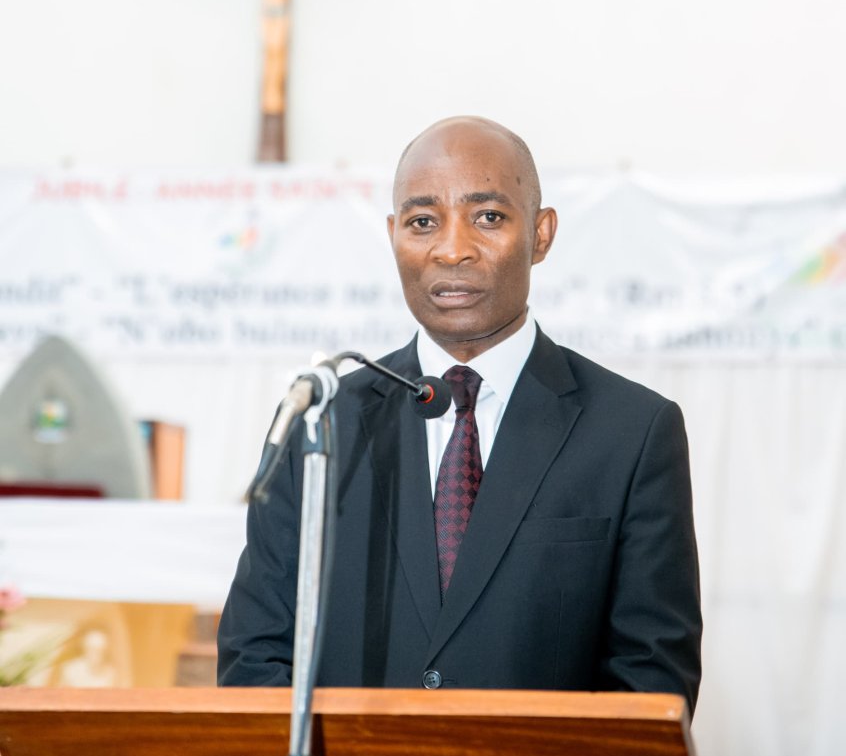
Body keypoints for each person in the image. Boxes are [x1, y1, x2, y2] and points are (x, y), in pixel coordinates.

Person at [218, 116, 702, 713]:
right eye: (423, 222)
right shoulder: (324, 423)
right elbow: (255, 652)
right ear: (394, 235)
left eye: (489, 217)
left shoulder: (631, 431)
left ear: (542, 234)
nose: (452, 249)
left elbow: (651, 680)